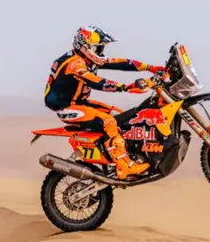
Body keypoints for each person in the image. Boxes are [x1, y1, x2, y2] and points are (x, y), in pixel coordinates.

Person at [43, 25, 166, 180]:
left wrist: (150, 68)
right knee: (109, 122)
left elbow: (120, 63)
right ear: (85, 47)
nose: (101, 52)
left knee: (121, 117)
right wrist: (124, 87)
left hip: (80, 103)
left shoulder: (86, 58)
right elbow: (96, 82)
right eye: (98, 48)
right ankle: (124, 166)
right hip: (67, 107)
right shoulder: (75, 64)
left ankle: (119, 155)